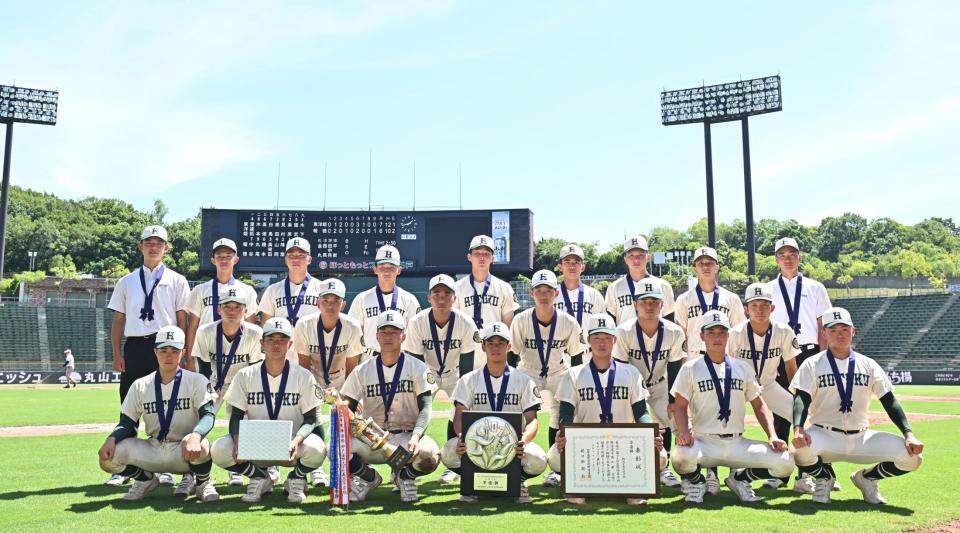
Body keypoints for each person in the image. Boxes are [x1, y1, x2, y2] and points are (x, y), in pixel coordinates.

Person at [790, 307, 924, 505]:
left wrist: (908, 433)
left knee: (913, 458)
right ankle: (825, 477)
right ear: (825, 334)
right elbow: (802, 397)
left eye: (844, 329)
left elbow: (889, 400)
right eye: (833, 330)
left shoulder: (868, 364)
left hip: (861, 437)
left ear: (853, 331)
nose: (840, 335)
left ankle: (867, 479)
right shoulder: (812, 363)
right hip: (825, 435)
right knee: (798, 451)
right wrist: (798, 429)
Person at [670, 311, 793, 504]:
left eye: (721, 332)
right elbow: (679, 405)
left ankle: (740, 479)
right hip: (705, 442)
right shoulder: (690, 368)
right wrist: (684, 431)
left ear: (728, 336)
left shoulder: (742, 367)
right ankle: (697, 483)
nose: (717, 337)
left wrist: (772, 436)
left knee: (785, 462)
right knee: (680, 455)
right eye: (711, 332)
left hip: (737, 443)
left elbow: (759, 404)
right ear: (701, 335)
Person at [548, 313, 665, 506]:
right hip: (587, 444)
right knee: (554, 456)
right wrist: (562, 433)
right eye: (596, 338)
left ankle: (633, 488)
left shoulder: (630, 372)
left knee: (660, 455)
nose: (601, 343)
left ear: (615, 340)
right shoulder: (573, 374)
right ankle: (578, 487)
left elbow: (641, 412)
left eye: (607, 338)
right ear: (588, 340)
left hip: (622, 445)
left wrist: (650, 433)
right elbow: (566, 414)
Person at [106, 224, 190, 487]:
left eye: (159, 243)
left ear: (166, 248)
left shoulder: (177, 280)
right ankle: (124, 467)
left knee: (169, 405)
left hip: (166, 346)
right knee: (128, 407)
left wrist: (183, 354)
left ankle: (165, 466)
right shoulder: (126, 281)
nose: (154, 246)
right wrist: (116, 353)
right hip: (135, 346)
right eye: (148, 242)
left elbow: (182, 319)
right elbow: (119, 320)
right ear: (140, 246)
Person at [97, 326, 219, 503]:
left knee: (204, 445)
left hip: (184, 448)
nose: (168, 356)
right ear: (155, 352)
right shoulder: (141, 385)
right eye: (163, 350)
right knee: (109, 458)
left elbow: (208, 415)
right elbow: (127, 423)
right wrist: (111, 438)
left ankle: (202, 483)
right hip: (153, 447)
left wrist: (196, 435)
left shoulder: (196, 380)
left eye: (174, 351)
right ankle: (145, 480)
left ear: (183, 353)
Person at [211, 318, 327, 504]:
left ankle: (295, 478)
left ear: (290, 344)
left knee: (318, 448)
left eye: (282, 339)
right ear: (262, 343)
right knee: (219, 449)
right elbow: (236, 416)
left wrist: (296, 441)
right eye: (271, 339)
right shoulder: (245, 375)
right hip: (258, 442)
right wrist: (237, 441)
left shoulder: (303, 375)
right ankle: (259, 477)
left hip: (292, 443)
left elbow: (311, 419)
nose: (276, 344)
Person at [339, 311, 440, 503]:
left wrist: (416, 437)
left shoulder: (417, 367)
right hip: (372, 438)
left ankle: (405, 476)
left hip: (406, 436)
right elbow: (346, 407)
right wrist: (347, 418)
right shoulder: (362, 370)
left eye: (394, 331)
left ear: (403, 336)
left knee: (429, 456)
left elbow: (426, 408)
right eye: (384, 331)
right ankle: (368, 477)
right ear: (376, 335)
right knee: (336, 448)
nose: (388, 336)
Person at [440, 321, 546, 504]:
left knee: (538, 459)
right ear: (483, 346)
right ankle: (471, 481)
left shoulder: (523, 380)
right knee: (448, 451)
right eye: (490, 343)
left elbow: (532, 420)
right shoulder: (468, 380)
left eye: (500, 343)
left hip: (510, 446)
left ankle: (517, 482)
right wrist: (461, 437)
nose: (495, 348)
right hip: (478, 444)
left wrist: (524, 440)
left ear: (509, 346)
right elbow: (459, 416)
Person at [767, 236, 834, 492]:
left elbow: (822, 326)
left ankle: (813, 472)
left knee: (813, 412)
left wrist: (822, 356)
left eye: (792, 253)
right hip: (780, 354)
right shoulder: (768, 288)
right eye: (782, 254)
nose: (787, 258)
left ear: (799, 256)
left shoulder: (816, 287)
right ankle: (780, 471)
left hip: (808, 352)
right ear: (776, 259)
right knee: (781, 414)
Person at [402, 274, 480, 485]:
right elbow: (416, 364)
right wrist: (421, 395)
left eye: (447, 293)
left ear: (454, 298)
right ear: (429, 298)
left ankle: (453, 465)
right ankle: (409, 466)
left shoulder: (465, 322)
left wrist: (461, 399)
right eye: (437, 293)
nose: (442, 298)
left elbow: (467, 366)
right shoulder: (418, 321)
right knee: (415, 410)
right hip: (427, 371)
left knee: (462, 410)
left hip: (455, 372)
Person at [510, 269, 584, 488]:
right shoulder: (521, 320)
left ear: (556, 294)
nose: (543, 295)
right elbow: (512, 353)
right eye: (539, 291)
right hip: (528, 368)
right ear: (532, 293)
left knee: (559, 416)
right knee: (517, 413)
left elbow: (577, 355)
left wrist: (577, 386)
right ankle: (514, 463)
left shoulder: (569, 322)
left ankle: (557, 468)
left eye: (548, 291)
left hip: (558, 370)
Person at [726, 283, 803, 492]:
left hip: (768, 385)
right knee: (729, 424)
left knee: (802, 420)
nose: (759, 310)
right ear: (746, 308)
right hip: (737, 388)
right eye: (754, 305)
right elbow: (725, 367)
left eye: (764, 305)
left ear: (773, 308)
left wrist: (798, 399)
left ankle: (805, 474)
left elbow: (791, 367)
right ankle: (732, 471)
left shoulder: (784, 331)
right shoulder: (734, 334)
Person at [614, 280, 687, 488]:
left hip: (661, 384)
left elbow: (675, 367)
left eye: (654, 301)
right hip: (632, 387)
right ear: (635, 304)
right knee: (629, 424)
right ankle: (630, 468)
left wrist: (673, 400)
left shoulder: (674, 331)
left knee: (671, 422)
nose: (649, 306)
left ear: (662, 304)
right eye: (644, 301)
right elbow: (620, 369)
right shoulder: (623, 331)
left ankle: (666, 469)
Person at [292, 277, 364, 488]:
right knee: (309, 415)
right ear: (317, 302)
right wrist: (316, 394)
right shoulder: (304, 325)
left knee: (350, 419)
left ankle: (350, 472)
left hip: (342, 379)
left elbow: (353, 368)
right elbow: (303, 367)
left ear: (343, 304)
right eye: (326, 299)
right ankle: (314, 469)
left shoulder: (352, 326)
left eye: (336, 300)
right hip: (311, 377)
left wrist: (349, 398)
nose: (330, 304)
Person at [192, 291, 265, 488]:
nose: (232, 312)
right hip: (215, 383)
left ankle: (242, 470)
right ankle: (194, 476)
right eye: (227, 307)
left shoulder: (255, 333)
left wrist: (249, 399)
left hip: (243, 386)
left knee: (246, 425)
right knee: (198, 424)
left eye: (237, 307)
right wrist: (205, 398)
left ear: (245, 310)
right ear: (218, 309)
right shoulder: (205, 332)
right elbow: (204, 370)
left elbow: (255, 370)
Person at [184, 237, 259, 372]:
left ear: (235, 259)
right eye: (219, 256)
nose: (224, 260)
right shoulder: (200, 290)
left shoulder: (247, 291)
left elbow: (251, 326)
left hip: (237, 352)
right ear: (213, 260)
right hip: (207, 351)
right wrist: (189, 359)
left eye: (228, 256)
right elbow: (193, 326)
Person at [258, 236, 325, 358]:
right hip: (281, 354)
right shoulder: (273, 290)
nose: (296, 259)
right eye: (291, 255)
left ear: (309, 259)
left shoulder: (321, 288)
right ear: (285, 259)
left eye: (301, 255)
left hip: (313, 352)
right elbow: (266, 325)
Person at [348, 245, 422, 352]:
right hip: (369, 358)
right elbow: (352, 335)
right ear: (375, 269)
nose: (387, 271)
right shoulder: (362, 299)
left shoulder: (409, 300)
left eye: (391, 267)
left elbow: (416, 336)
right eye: (382, 267)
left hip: (400, 359)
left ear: (399, 270)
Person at [604, 235, 676, 325]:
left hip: (656, 338)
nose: (636, 260)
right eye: (631, 255)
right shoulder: (614, 287)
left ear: (648, 257)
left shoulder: (663, 286)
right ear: (625, 259)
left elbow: (669, 321)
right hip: (625, 339)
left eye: (640, 255)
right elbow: (611, 322)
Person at [455, 234, 520, 329]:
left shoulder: (504, 288)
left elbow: (508, 326)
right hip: (467, 343)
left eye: (486, 254)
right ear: (469, 257)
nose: (482, 258)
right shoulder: (457, 287)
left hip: (494, 343)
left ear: (492, 258)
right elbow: (454, 323)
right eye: (477, 254)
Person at [553, 244, 605, 328]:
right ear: (560, 267)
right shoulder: (552, 295)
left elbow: (602, 327)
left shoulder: (594, 294)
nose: (572, 266)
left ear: (583, 267)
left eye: (576, 262)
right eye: (567, 261)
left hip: (586, 341)